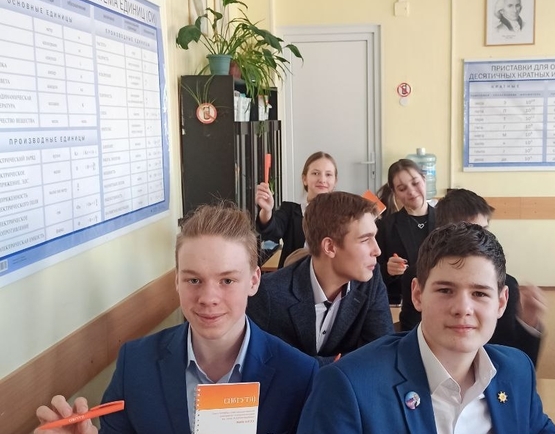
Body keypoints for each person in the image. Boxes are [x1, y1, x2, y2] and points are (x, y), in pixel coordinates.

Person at [34, 203, 318, 434]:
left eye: (227, 281)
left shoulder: (299, 375)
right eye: (194, 280)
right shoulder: (136, 364)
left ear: (254, 281)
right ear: (177, 281)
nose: (208, 298)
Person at [297, 223, 555, 434]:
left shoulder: (516, 370)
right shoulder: (349, 386)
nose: (463, 308)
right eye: (445, 290)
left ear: (501, 303)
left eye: (479, 293)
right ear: (417, 294)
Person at [247, 191, 394, 365]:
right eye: (365, 240)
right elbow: (260, 364)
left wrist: (316, 365)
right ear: (330, 247)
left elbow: (383, 354)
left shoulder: (370, 280)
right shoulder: (268, 294)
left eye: (374, 237)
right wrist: (335, 365)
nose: (377, 250)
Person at [433, 188, 546, 366]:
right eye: (471, 232)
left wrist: (528, 322)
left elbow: (520, 365)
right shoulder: (427, 281)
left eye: (484, 230)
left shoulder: (506, 284)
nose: (481, 240)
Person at [255, 151, 337, 268]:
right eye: (315, 173)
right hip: (293, 275)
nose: (322, 179)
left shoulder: (342, 215)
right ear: (304, 179)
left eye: (328, 174)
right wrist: (267, 210)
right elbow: (272, 230)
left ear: (335, 181)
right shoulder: (290, 211)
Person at [376, 159, 435, 306]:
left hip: (442, 300)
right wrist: (387, 270)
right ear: (394, 192)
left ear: (424, 179)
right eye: (402, 188)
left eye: (415, 183)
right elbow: (371, 273)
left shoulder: (447, 220)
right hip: (401, 303)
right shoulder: (386, 226)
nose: (411, 191)